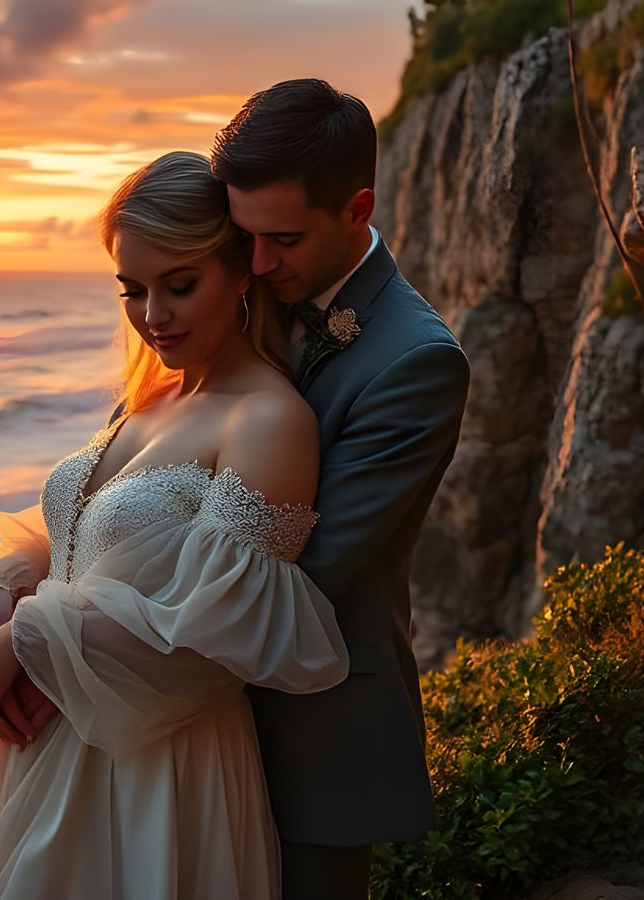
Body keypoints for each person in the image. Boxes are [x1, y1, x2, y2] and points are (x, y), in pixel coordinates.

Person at [0, 150, 350, 899]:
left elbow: (222, 638)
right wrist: (1, 580)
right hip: (42, 748)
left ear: (240, 269)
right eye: (132, 290)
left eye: (179, 285)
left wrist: (34, 636)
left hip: (152, 771)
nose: (152, 316)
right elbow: (84, 535)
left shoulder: (268, 419)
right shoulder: (148, 400)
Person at [212, 78, 471, 899]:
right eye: (241, 235)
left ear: (357, 209)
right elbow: (132, 448)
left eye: (281, 239)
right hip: (190, 732)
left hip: (315, 737)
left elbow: (308, 568)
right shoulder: (243, 287)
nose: (254, 265)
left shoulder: (416, 363)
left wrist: (79, 639)